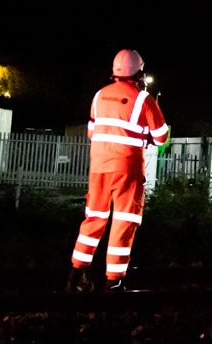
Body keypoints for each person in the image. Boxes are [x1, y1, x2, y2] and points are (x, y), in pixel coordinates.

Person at [66, 49, 170, 293]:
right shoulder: (144, 100)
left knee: (94, 219)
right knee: (124, 222)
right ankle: (113, 285)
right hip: (127, 169)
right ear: (140, 73)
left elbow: (93, 132)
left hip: (99, 168)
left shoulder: (99, 96)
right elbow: (162, 137)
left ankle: (74, 278)